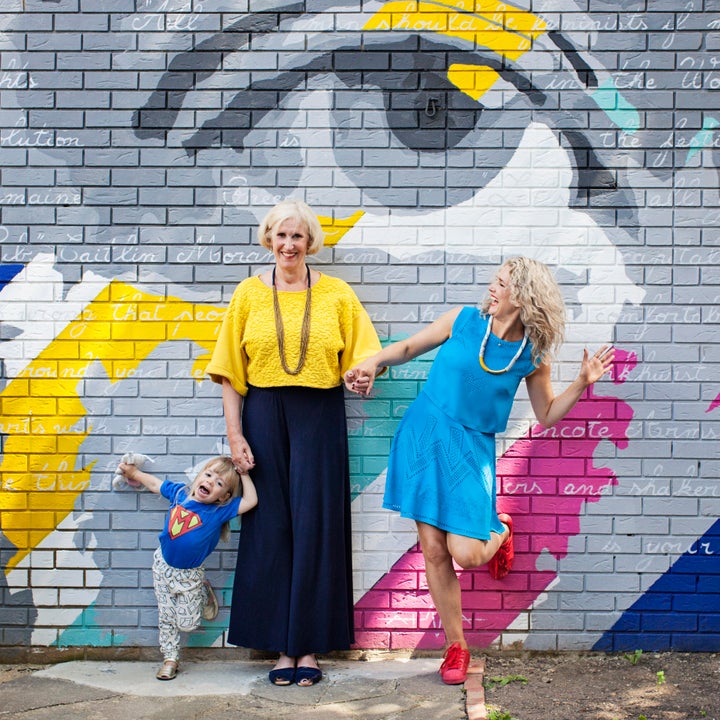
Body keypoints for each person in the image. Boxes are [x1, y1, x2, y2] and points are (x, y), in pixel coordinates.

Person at [344, 256, 615, 685]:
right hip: (425, 434)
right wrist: (373, 362)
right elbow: (411, 347)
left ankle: (501, 530)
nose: (492, 287)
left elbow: (545, 414)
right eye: (495, 280)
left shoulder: (531, 355)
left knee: (467, 554)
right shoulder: (464, 321)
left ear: (523, 297)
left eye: (502, 283)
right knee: (434, 550)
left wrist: (581, 382)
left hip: (471, 451)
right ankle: (457, 648)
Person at [205, 199, 383, 687]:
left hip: (320, 413)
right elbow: (229, 375)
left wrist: (364, 374)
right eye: (281, 236)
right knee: (270, 526)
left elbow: (367, 351)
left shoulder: (338, 295)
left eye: (298, 237)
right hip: (262, 413)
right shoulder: (246, 295)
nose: (289, 245)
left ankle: (309, 646)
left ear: (310, 244)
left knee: (317, 525)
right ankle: (281, 648)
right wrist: (236, 435)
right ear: (269, 239)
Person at [116, 456, 257, 681]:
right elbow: (155, 484)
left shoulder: (219, 511)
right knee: (166, 616)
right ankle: (170, 659)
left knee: (187, 624)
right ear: (199, 476)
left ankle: (202, 591)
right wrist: (133, 474)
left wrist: (244, 474)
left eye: (220, 483)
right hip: (162, 567)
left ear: (224, 496)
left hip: (190, 575)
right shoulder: (180, 494)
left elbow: (250, 501)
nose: (211, 482)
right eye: (209, 475)